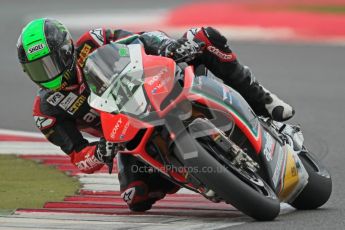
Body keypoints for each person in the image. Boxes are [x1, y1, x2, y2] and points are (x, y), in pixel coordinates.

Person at [17, 18, 294, 211]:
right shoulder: (47, 110)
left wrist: (168, 48)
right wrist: (99, 154)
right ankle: (202, 178)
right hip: (124, 136)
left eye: (50, 63)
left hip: (158, 86)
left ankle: (263, 100)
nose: (49, 75)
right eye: (39, 70)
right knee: (135, 197)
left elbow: (142, 39)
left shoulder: (94, 41)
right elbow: (78, 157)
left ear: (66, 50)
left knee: (204, 37)